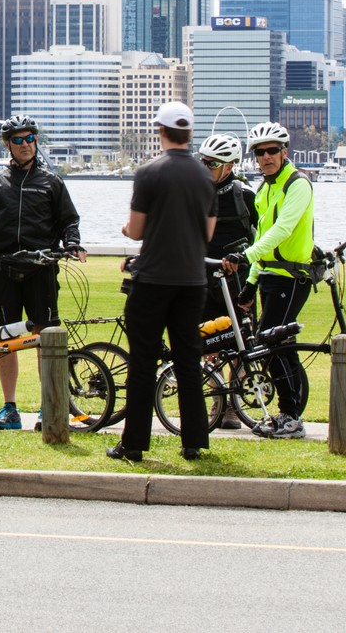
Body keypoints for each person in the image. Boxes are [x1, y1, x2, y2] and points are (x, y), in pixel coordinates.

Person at [0, 113, 87, 431]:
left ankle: (48, 407)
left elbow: (69, 221)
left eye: (30, 139)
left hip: (42, 270)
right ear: (8, 144)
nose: (26, 145)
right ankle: (9, 409)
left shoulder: (52, 182)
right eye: (19, 140)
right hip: (4, 270)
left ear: (36, 141)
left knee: (44, 337)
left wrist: (73, 244)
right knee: (6, 338)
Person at [107, 101, 216, 463]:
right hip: (192, 281)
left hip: (153, 280)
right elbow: (209, 232)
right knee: (188, 361)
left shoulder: (149, 172)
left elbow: (136, 230)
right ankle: (194, 441)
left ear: (162, 131)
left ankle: (134, 443)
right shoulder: (205, 176)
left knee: (143, 361)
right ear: (189, 133)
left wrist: (126, 228)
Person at [223, 121, 315, 440]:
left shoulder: (297, 184)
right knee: (278, 343)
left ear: (284, 151)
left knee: (269, 341)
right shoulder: (265, 189)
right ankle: (291, 412)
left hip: (292, 277)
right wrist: (250, 283)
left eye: (272, 151)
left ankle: (291, 416)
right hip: (270, 278)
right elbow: (261, 236)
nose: (266, 157)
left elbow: (282, 230)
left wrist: (246, 256)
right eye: (260, 153)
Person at [197, 133, 257, 323]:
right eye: (203, 162)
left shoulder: (245, 196)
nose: (205, 168)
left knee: (242, 347)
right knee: (207, 345)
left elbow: (263, 237)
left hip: (237, 282)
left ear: (229, 166)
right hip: (204, 280)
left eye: (212, 164)